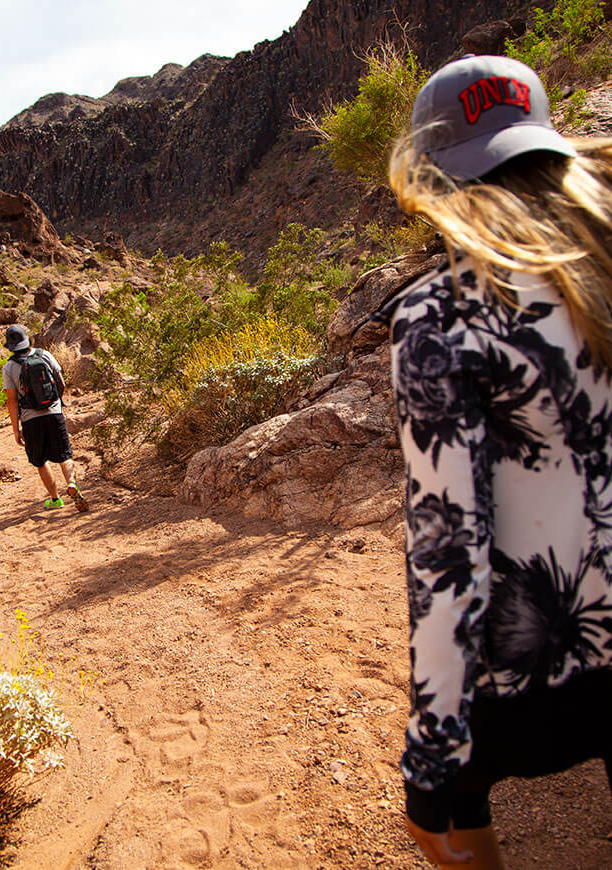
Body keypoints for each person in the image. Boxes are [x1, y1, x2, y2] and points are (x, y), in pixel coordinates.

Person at [387, 54, 612, 868]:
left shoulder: (440, 314)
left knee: (459, 801)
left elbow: (450, 555)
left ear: (435, 176)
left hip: (538, 658)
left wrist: (430, 757)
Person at [2, 324, 89, 512]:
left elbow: (12, 400)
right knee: (64, 454)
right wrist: (57, 403)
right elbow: (60, 380)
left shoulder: (9, 367)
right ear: (27, 339)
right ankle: (72, 483)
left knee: (40, 460)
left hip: (30, 418)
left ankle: (55, 498)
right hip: (54, 412)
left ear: (10, 345)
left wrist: (16, 429)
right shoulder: (44, 355)